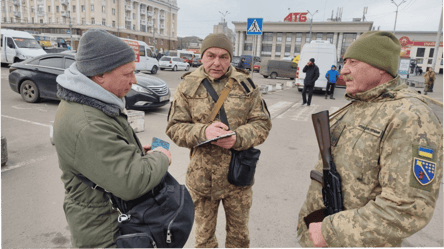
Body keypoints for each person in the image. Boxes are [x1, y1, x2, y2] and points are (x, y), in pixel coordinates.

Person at [297, 31, 443, 248]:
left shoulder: (411, 116)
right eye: (345, 61)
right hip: (325, 235)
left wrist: (329, 230)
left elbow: (408, 209)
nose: (344, 70)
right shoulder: (363, 102)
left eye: (353, 62)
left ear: (381, 67)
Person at [53, 29, 172, 248]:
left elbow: (104, 156)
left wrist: (136, 155)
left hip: (108, 219)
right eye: (127, 73)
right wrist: (161, 157)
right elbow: (131, 182)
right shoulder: (87, 123)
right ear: (99, 75)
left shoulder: (90, 102)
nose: (133, 80)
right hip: (104, 234)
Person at [166, 33, 272, 248]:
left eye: (224, 56)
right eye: (211, 55)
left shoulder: (246, 85)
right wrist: (203, 132)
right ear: (201, 56)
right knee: (204, 239)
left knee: (239, 238)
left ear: (230, 58)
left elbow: (262, 124)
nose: (217, 62)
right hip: (202, 179)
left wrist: (238, 138)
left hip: (237, 178)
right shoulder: (188, 86)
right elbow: (174, 128)